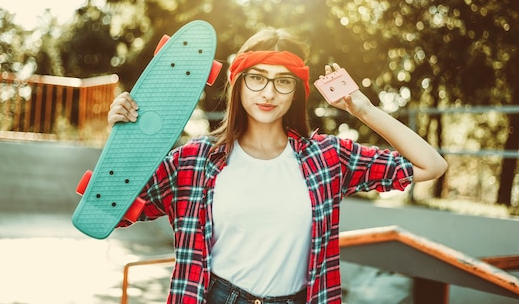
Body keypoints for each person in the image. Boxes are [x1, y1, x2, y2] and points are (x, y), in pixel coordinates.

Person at [108, 27, 448, 304]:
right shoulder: (193, 160)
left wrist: (364, 110)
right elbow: (112, 209)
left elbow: (430, 165)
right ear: (238, 83)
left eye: (283, 80)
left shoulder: (327, 157)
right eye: (257, 77)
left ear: (296, 91)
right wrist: (123, 138)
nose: (268, 92)